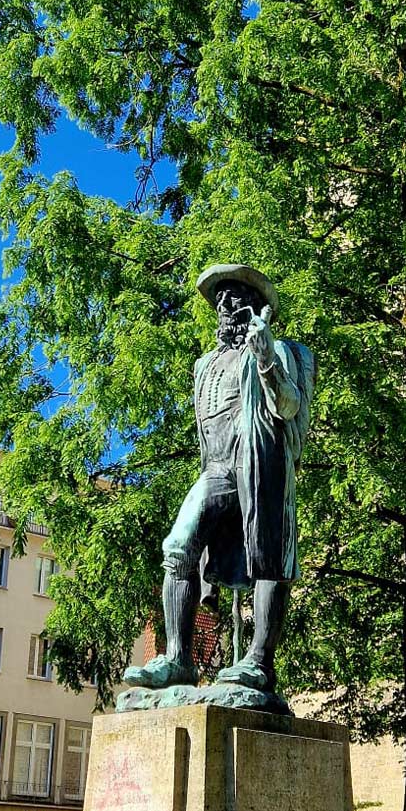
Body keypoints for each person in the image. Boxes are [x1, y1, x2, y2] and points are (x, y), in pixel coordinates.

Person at [123, 263, 314, 695]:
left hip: (258, 463)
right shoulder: (204, 365)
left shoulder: (279, 350)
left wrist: (265, 356)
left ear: (258, 306)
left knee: (268, 555)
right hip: (217, 468)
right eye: (220, 298)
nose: (225, 305)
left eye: (235, 295)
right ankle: (179, 657)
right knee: (178, 546)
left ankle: (259, 661)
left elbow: (287, 407)